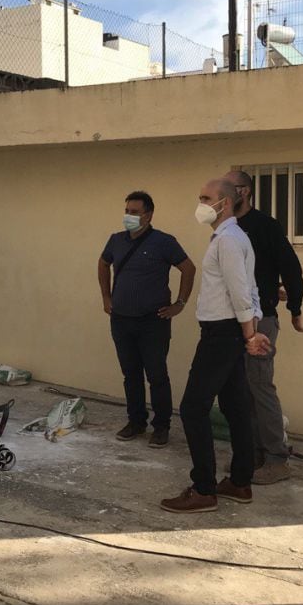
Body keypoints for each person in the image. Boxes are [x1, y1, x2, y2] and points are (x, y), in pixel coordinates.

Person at [161, 179, 271, 513]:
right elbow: (249, 288)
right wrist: (251, 328)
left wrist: (250, 334)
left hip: (221, 333)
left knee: (193, 408)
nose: (201, 203)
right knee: (236, 406)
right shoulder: (234, 238)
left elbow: (240, 291)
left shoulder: (228, 240)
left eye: (206, 198)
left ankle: (204, 488)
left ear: (225, 202)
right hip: (227, 332)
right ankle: (240, 481)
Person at [225, 170, 303, 484]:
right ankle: (253, 454)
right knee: (242, 390)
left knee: (260, 386)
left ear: (244, 191)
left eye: (229, 188)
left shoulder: (264, 226)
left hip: (260, 320)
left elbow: (291, 268)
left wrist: (295, 308)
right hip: (232, 320)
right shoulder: (226, 227)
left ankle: (277, 458)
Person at [99, 191, 196, 447]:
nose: (129, 216)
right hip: (121, 319)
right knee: (130, 374)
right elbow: (103, 263)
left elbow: (188, 268)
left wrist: (179, 304)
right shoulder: (116, 240)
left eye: (135, 212)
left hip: (153, 321)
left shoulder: (163, 242)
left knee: (157, 375)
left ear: (149, 215)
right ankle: (136, 422)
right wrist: (106, 297)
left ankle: (161, 426)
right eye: (127, 211)